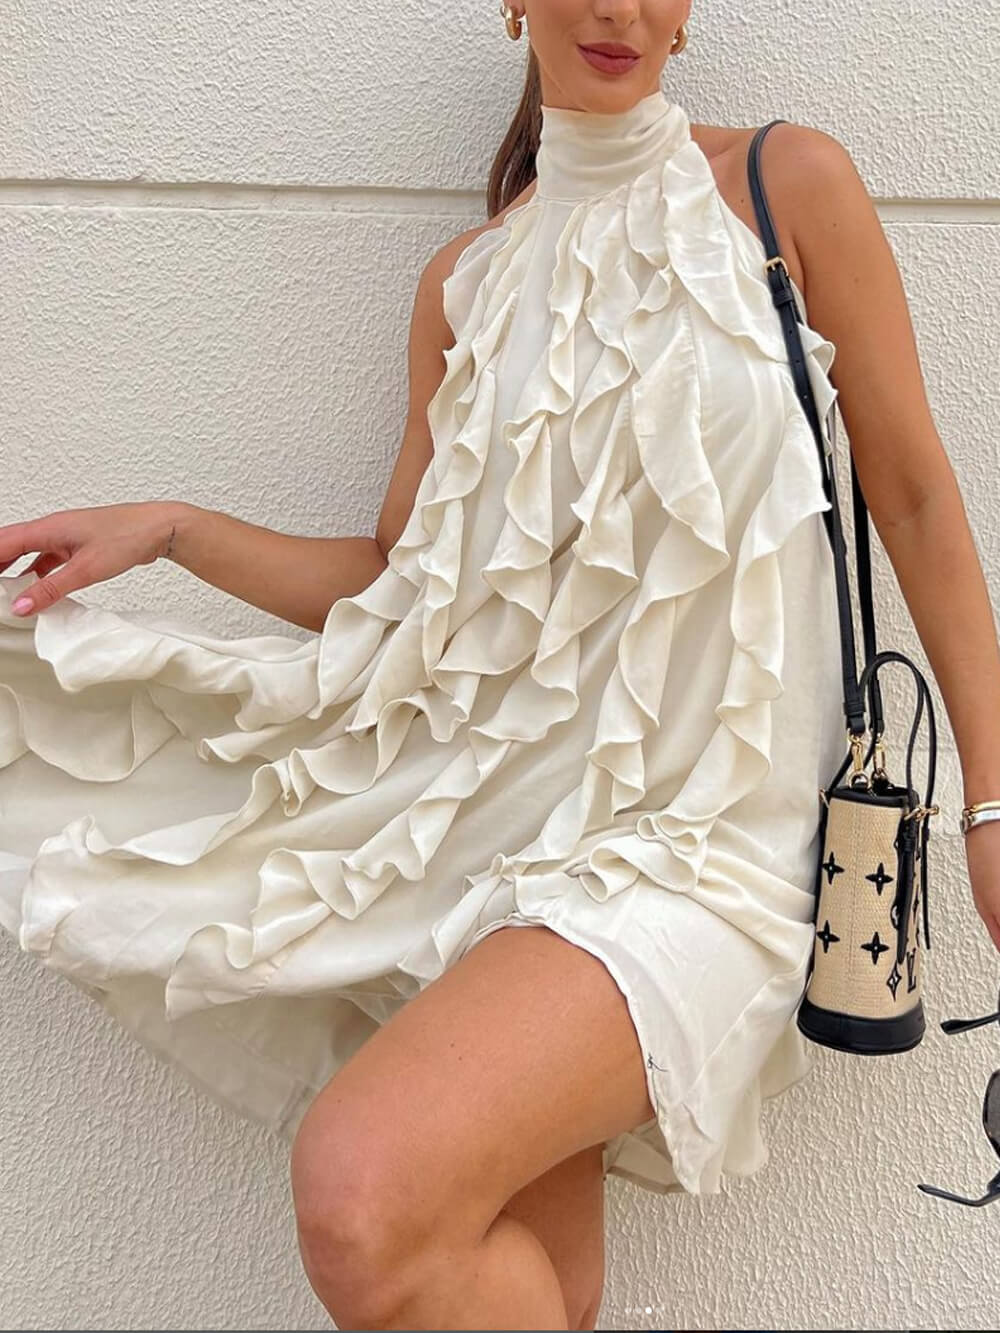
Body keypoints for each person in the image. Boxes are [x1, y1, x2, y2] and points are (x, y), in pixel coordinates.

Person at [3, 2, 1000, 1329]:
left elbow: (916, 500)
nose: (617, 9)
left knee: (363, 1192)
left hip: (713, 848)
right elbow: (401, 586)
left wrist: (991, 798)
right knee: (519, 1281)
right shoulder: (466, 284)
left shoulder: (783, 186)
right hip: (508, 849)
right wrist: (175, 530)